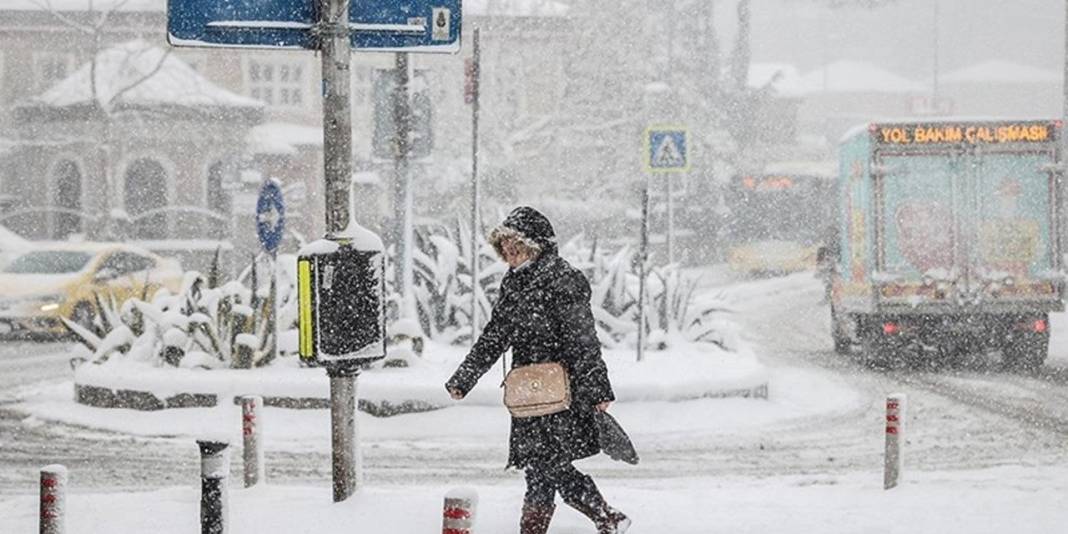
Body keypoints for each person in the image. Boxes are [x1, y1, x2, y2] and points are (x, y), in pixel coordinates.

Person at [445, 206, 631, 534]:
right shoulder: (514, 283)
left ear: (536, 245)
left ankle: (603, 518)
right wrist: (465, 377)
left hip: (562, 390)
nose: (509, 253)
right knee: (539, 467)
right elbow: (495, 335)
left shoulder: (563, 279)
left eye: (516, 246)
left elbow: (582, 338)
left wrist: (598, 388)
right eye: (505, 247)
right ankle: (604, 518)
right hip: (528, 392)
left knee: (547, 464)